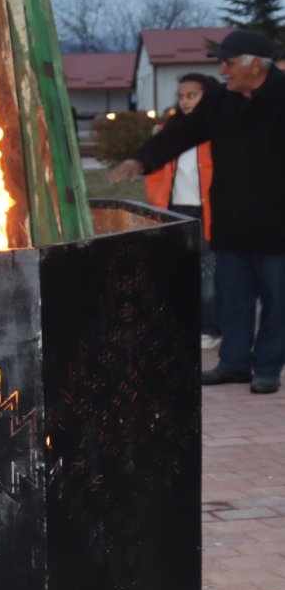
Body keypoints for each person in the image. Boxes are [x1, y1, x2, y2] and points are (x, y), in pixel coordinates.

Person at [110, 30, 285, 394]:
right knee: (232, 299)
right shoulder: (220, 100)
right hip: (231, 221)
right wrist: (140, 158)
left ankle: (267, 366)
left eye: (229, 62)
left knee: (277, 303)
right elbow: (182, 133)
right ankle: (234, 364)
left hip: (277, 226)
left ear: (255, 65)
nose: (222, 70)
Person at [143, 74, 223, 350]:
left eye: (192, 95)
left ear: (208, 96)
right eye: (181, 96)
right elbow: (155, 172)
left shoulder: (217, 131)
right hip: (175, 213)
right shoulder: (171, 131)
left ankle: (210, 328)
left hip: (207, 213)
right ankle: (182, 324)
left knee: (208, 275)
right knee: (178, 272)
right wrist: (158, 205)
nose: (185, 101)